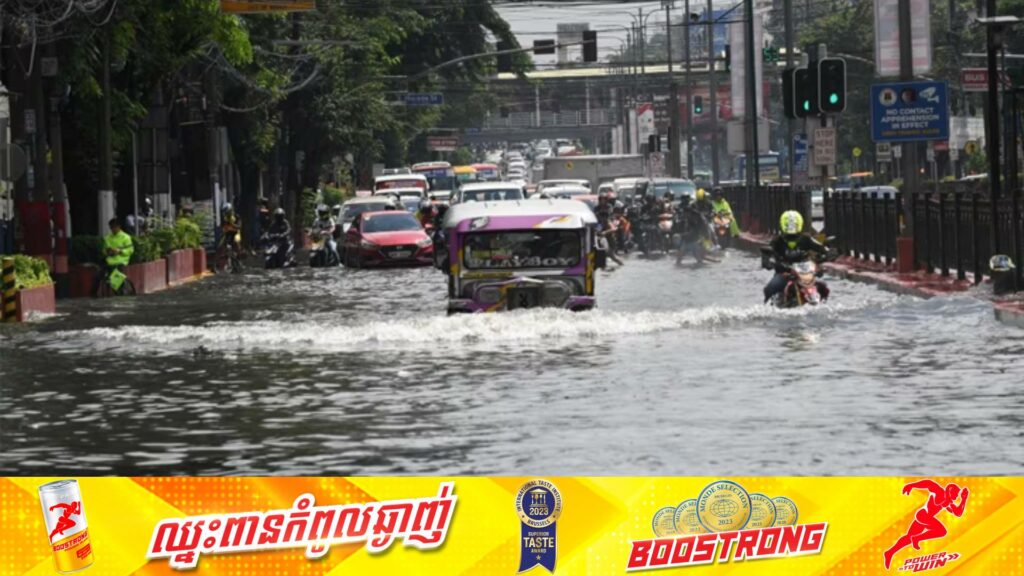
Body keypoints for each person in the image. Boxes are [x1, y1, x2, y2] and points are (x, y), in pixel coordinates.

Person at [763, 210, 829, 303]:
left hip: (805, 273)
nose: (791, 227)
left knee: (823, 287)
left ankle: (822, 302)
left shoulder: (806, 239)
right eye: (788, 224)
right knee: (771, 288)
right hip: (784, 274)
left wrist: (824, 256)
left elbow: (822, 249)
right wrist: (769, 262)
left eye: (794, 224)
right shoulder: (777, 241)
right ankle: (768, 307)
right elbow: (768, 253)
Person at [93, 217, 134, 295]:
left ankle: (120, 293)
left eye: (114, 227)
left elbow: (130, 250)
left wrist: (120, 251)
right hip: (109, 261)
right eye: (111, 227)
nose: (113, 229)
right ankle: (93, 294)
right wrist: (107, 252)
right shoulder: (107, 238)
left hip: (121, 261)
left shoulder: (126, 237)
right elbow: (104, 250)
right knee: (97, 275)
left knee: (115, 279)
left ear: (119, 227)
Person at [674, 197, 718, 265]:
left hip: (700, 238)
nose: (684, 215)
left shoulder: (697, 218)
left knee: (700, 256)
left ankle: (715, 261)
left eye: (685, 213)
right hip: (694, 238)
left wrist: (682, 235)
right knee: (698, 257)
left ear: (688, 213)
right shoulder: (690, 217)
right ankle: (715, 261)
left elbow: (696, 232)